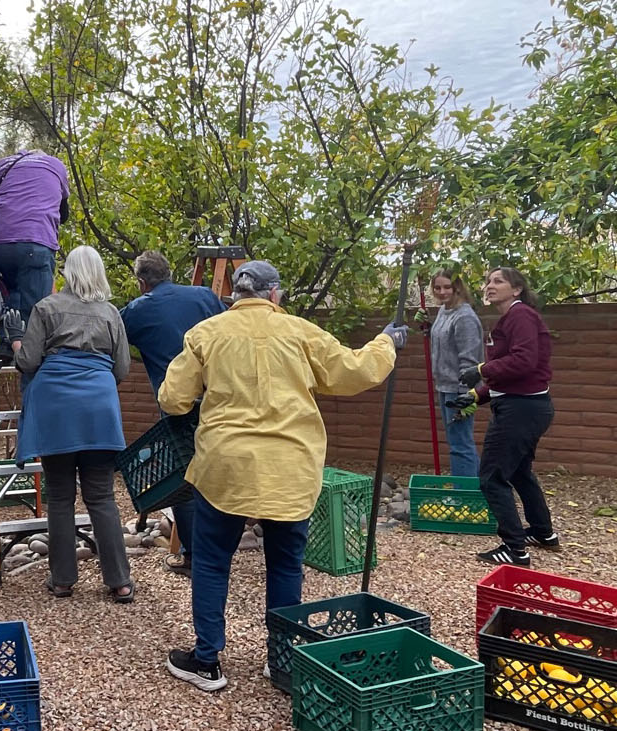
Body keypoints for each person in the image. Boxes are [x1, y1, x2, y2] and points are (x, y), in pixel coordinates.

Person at [158, 261, 407, 691]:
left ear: (235, 295)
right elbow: (354, 373)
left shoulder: (205, 334)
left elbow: (174, 400)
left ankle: (207, 661)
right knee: (285, 565)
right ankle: (283, 660)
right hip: (289, 469)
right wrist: (386, 342)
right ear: (275, 295)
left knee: (214, 562)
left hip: (226, 468)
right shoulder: (301, 332)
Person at [13, 245, 134, 603]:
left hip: (56, 411)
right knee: (102, 497)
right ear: (99, 274)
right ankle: (120, 582)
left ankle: (63, 580)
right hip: (99, 411)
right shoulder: (111, 314)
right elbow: (122, 369)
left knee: (61, 497)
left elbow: (28, 362)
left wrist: (18, 342)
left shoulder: (46, 308)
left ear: (67, 273)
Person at [119, 250, 227, 577]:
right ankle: (224, 542)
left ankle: (195, 557)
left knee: (185, 477)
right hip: (222, 399)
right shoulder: (205, 296)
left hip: (178, 404)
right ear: (169, 272)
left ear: (141, 282)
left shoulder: (137, 311)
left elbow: (111, 341)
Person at [448, 266, 557, 567]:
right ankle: (542, 532)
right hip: (528, 406)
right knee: (520, 473)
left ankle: (515, 549)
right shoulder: (513, 318)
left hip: (520, 410)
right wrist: (474, 396)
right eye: (487, 281)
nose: (490, 286)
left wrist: (481, 370)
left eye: (498, 281)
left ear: (517, 289)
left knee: (492, 478)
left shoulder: (520, 315)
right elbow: (511, 375)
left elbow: (523, 360)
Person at [0, 150, 71, 356]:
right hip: (36, 240)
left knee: (12, 285)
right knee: (37, 311)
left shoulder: (1, 166)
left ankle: (7, 342)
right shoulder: (57, 166)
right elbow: (64, 214)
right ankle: (27, 358)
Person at [428, 270, 485, 477]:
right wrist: (428, 328)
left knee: (460, 443)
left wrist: (466, 396)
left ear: (457, 287)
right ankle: (474, 489)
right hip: (444, 385)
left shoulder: (465, 317)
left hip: (459, 390)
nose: (442, 292)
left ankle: (467, 496)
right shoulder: (444, 311)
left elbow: (469, 360)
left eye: (447, 287)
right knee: (456, 441)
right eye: (437, 287)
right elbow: (444, 344)